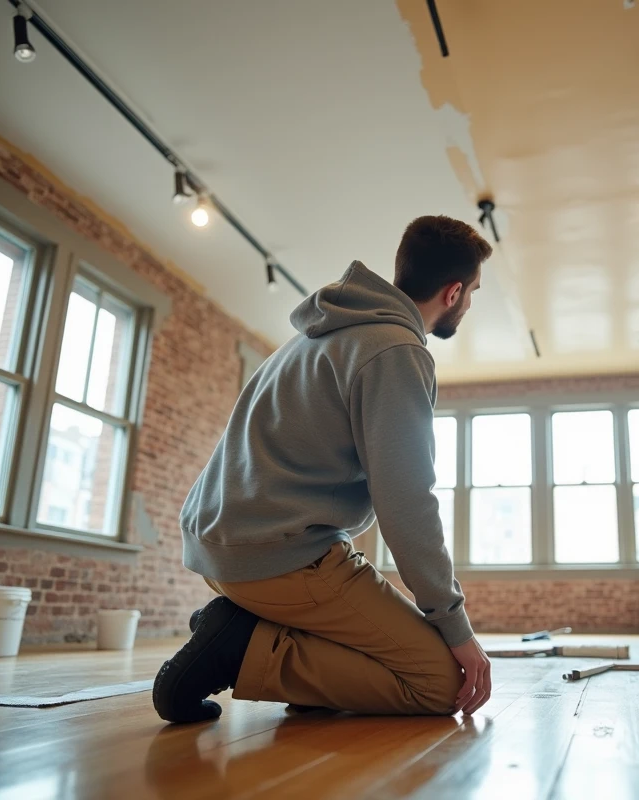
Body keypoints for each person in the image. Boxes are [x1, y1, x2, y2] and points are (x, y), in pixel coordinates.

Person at [153, 215, 494, 724]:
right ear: (453, 293)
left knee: (381, 651)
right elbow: (407, 502)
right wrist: (456, 628)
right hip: (281, 559)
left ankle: (249, 632)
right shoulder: (397, 351)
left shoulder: (321, 334)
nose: (469, 305)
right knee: (441, 683)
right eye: (473, 294)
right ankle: (240, 645)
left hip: (221, 549)